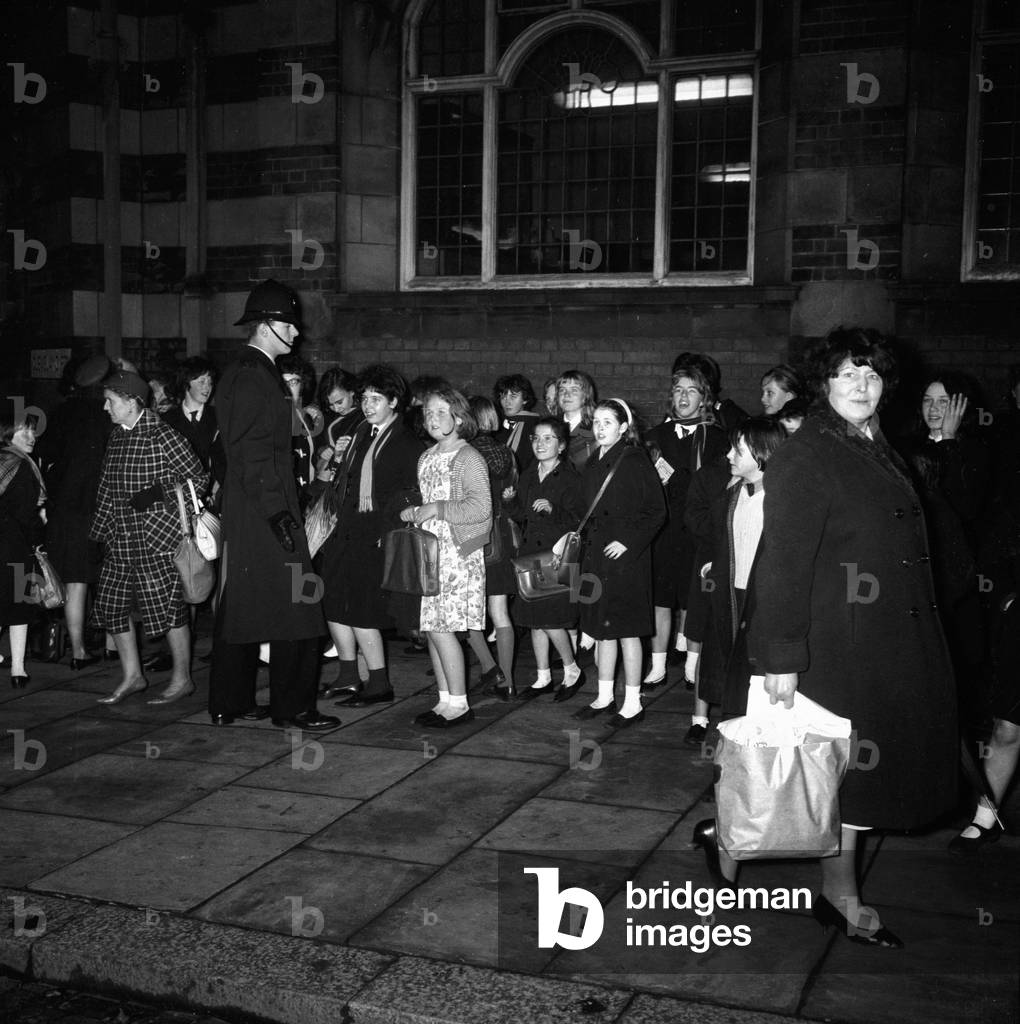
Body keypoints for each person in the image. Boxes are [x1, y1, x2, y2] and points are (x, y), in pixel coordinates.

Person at [696, 327, 958, 949]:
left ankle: (807, 879)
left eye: (871, 375)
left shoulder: (871, 442)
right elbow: (784, 560)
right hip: (834, 644)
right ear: (824, 384)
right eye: (847, 375)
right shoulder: (810, 451)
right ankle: (821, 889)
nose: (862, 386)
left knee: (841, 777)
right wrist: (780, 659)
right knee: (822, 775)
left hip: (877, 636)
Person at [208, 279, 338, 732]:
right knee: (299, 608)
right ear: (266, 327)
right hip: (266, 514)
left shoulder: (249, 371)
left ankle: (231, 701)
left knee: (243, 608)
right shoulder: (252, 375)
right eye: (288, 325)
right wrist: (280, 514)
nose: (297, 333)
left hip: (254, 513)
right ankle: (293, 708)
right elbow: (250, 453)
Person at [89, 370, 209, 705]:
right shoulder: (116, 435)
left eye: (110, 401)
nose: (105, 408)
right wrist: (101, 532)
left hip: (156, 538)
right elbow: (105, 488)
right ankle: (133, 676)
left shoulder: (162, 434)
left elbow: (197, 481)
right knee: (113, 607)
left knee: (168, 611)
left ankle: (182, 679)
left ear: (131, 402)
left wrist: (158, 494)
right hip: (120, 538)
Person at [319, 364, 423, 706]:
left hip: (376, 534)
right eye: (364, 398)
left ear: (394, 402)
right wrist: (339, 457)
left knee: (363, 610)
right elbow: (340, 481)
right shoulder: (361, 432)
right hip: (345, 529)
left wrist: (388, 529)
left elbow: (413, 492)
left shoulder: (405, 441)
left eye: (376, 398)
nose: (367, 404)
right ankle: (348, 675)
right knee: (333, 603)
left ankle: (379, 683)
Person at [682, 416, 788, 742]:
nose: (728, 456)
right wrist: (717, 563)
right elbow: (726, 539)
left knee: (755, 685)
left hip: (762, 606)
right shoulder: (733, 495)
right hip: (731, 598)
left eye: (737, 450)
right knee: (730, 680)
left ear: (761, 454)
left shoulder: (781, 502)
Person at [400, 386, 491, 729]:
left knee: (443, 630)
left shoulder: (468, 457)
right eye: (428, 413)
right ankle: (444, 700)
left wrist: (436, 508)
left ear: (459, 416)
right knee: (432, 628)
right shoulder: (427, 456)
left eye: (441, 412)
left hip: (457, 554)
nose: (434, 419)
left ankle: (460, 704)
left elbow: (482, 509)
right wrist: (416, 511)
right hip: (430, 554)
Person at [573, 399, 665, 726]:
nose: (599, 428)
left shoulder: (635, 460)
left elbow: (657, 511)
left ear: (624, 428)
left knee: (628, 632)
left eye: (608, 422)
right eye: (596, 421)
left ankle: (632, 702)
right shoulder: (594, 460)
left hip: (626, 559)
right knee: (602, 629)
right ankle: (604, 696)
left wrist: (628, 542)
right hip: (598, 555)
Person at [644, 358, 729, 689]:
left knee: (695, 601)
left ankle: (694, 665)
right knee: (661, 600)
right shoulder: (655, 435)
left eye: (691, 391)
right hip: (664, 529)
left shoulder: (718, 439)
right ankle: (658, 664)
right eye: (678, 390)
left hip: (699, 531)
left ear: (704, 398)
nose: (683, 397)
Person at [36, 353, 114, 669]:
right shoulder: (107, 416)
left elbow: (46, 457)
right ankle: (108, 645)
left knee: (74, 581)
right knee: (110, 577)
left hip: (65, 510)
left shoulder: (61, 413)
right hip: (99, 507)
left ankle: (79, 648)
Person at [511, 417, 587, 702]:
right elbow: (521, 515)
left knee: (552, 620)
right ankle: (543, 676)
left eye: (547, 439)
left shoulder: (570, 478)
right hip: (531, 553)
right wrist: (510, 502)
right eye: (535, 438)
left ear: (562, 445)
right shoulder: (529, 474)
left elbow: (580, 521)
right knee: (534, 620)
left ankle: (572, 670)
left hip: (557, 556)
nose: (539, 444)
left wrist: (553, 509)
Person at [467, 395, 518, 696]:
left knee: (468, 612)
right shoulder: (507, 453)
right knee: (500, 613)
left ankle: (490, 668)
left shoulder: (465, 453)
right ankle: (508, 681)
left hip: (474, 537)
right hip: (502, 536)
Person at [0, 415, 47, 688]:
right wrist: (39, 543)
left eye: (32, 431)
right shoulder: (26, 467)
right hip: (15, 546)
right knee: (19, 606)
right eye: (23, 431)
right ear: (7, 433)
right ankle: (18, 668)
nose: (31, 437)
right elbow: (29, 515)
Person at [161, 356, 226, 498]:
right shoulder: (167, 421)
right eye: (202, 381)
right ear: (186, 384)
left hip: (215, 495)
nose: (207, 387)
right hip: (178, 496)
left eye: (210, 382)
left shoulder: (220, 418)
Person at [493, 374, 541, 472]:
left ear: (525, 399)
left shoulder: (535, 426)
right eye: (503, 396)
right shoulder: (496, 424)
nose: (507, 402)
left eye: (513, 396)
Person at [557, 369, 597, 470]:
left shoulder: (596, 427)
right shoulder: (550, 426)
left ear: (585, 396)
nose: (566, 395)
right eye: (562, 390)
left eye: (574, 390)